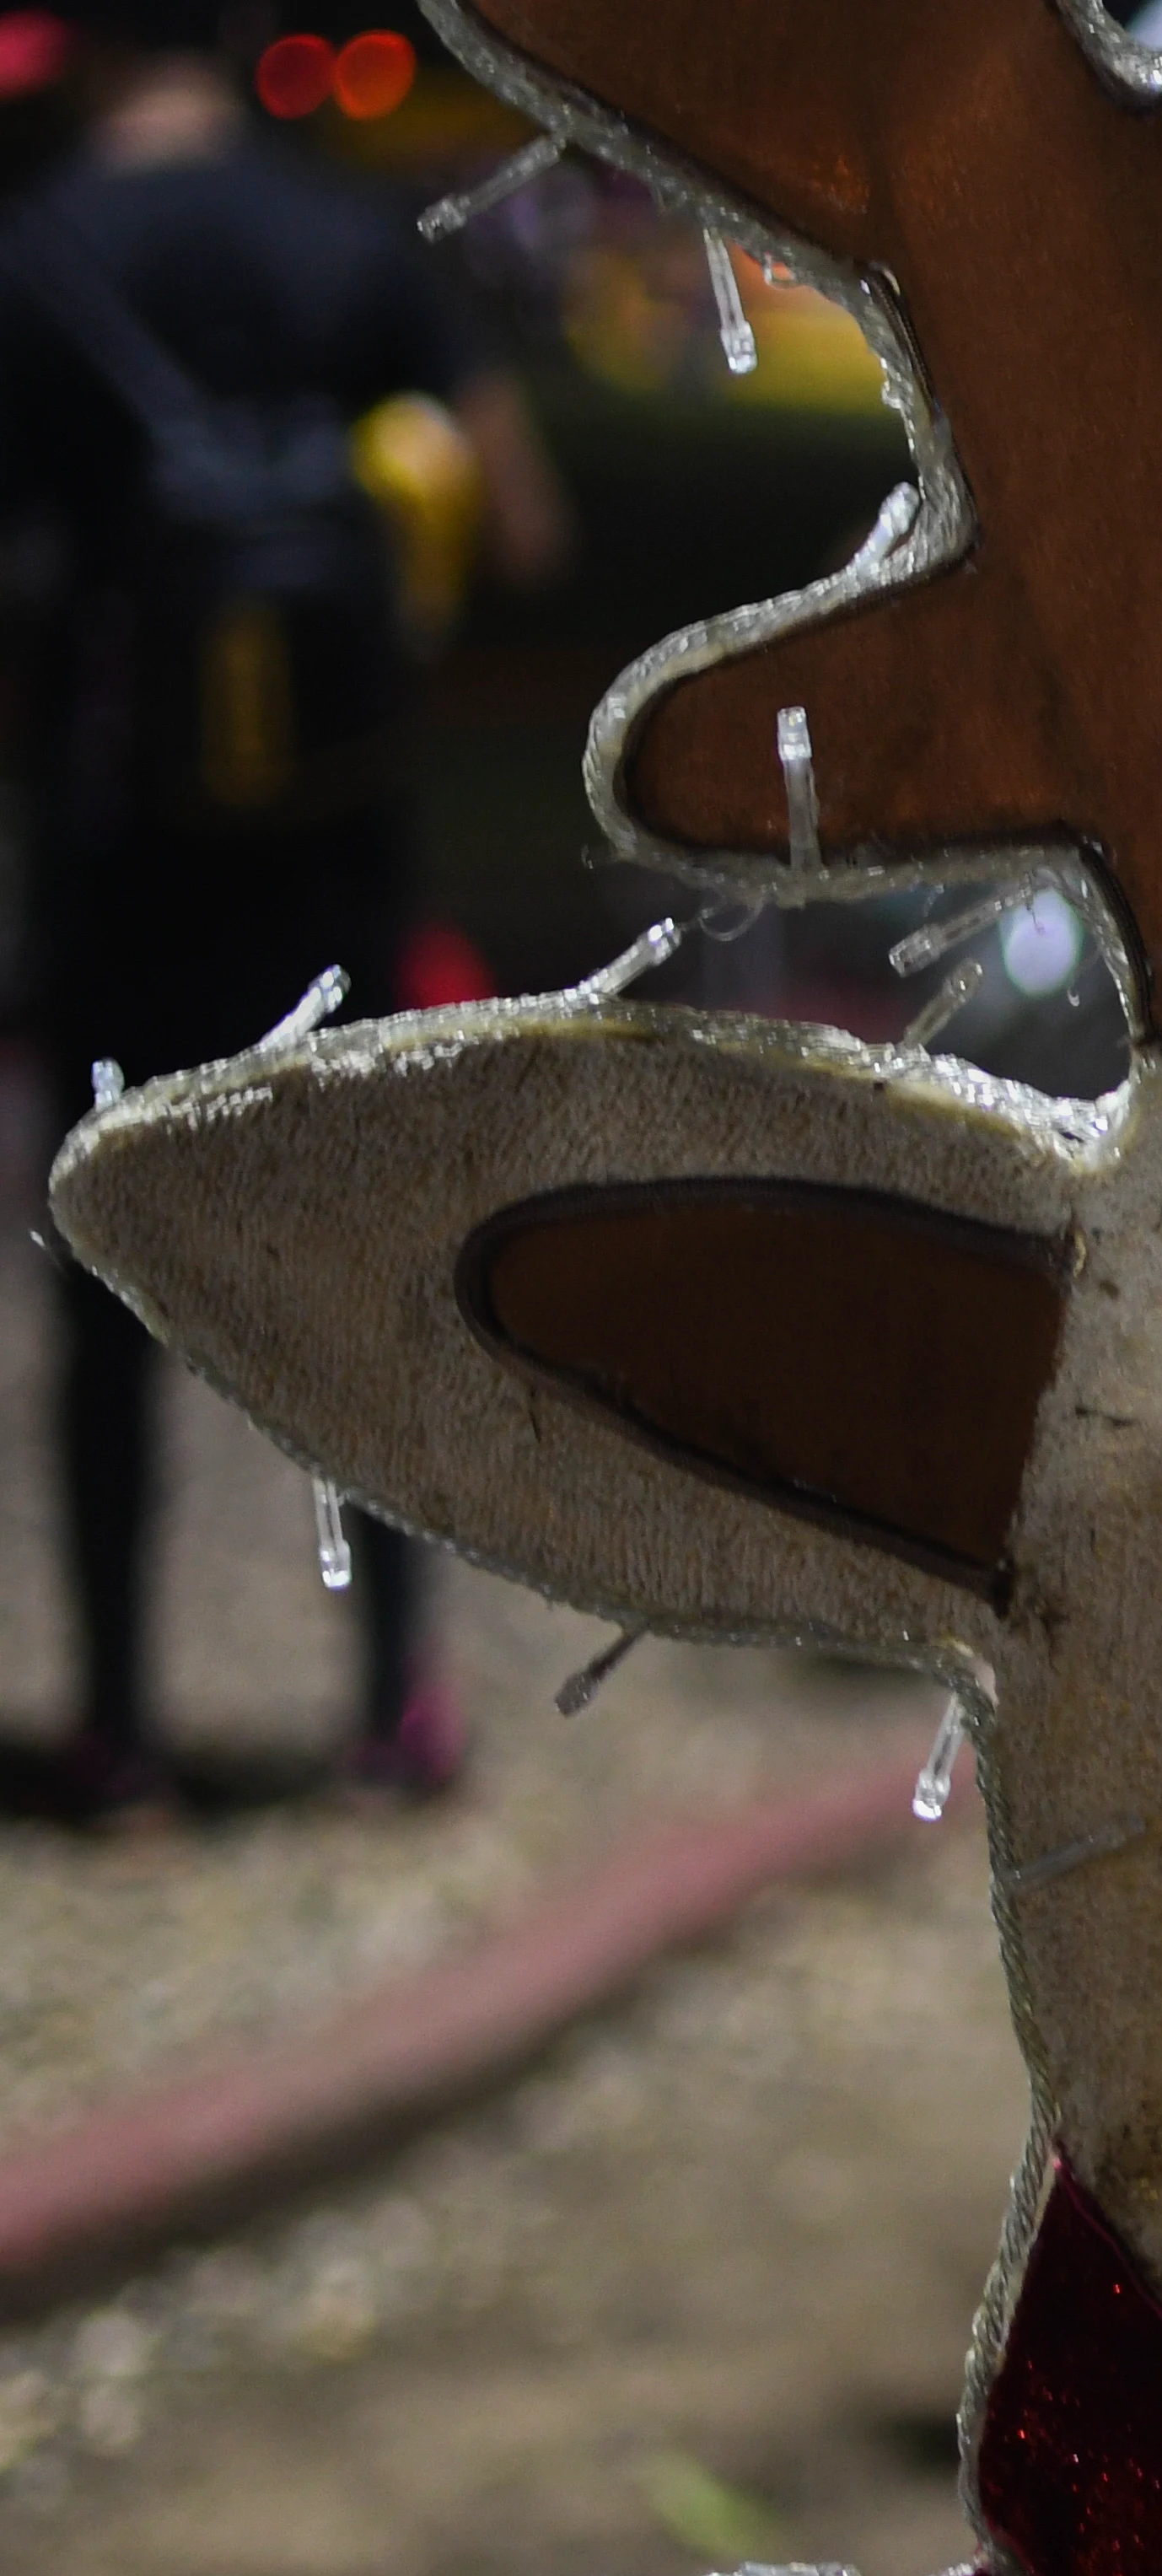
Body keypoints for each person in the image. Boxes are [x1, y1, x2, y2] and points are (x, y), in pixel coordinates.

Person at [0, 1, 566, 1818]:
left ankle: (120, 1730)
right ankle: (400, 1707)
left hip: (115, 866)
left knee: (103, 1292)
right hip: (335, 869)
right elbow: (526, 525)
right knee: (365, 1265)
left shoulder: (38, 263)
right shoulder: (344, 246)